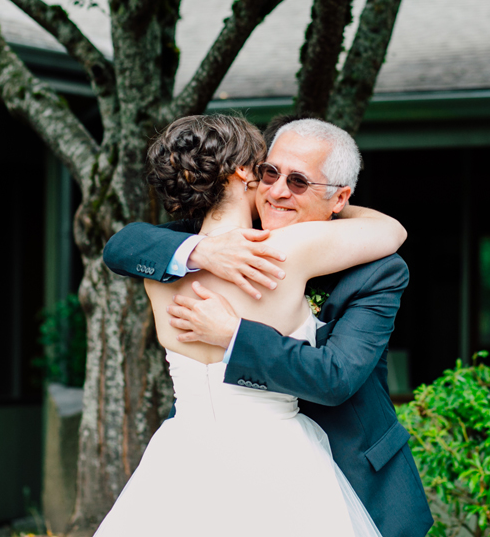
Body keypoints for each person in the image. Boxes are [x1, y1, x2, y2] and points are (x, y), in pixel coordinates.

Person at [103, 117, 433, 537]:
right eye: (269, 172)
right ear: (248, 174)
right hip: (250, 462)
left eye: (298, 182)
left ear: (340, 198)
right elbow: (121, 245)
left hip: (344, 465)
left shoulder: (378, 270)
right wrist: (201, 251)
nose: (277, 190)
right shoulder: (195, 248)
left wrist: (233, 336)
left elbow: (336, 377)